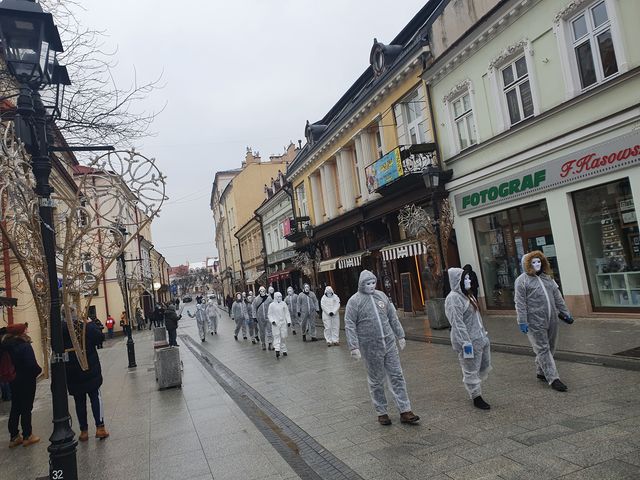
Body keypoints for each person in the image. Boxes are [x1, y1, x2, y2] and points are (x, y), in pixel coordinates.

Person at [345, 270, 419, 426]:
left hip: (389, 343)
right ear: (361, 284)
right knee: (376, 380)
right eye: (367, 283)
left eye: (373, 283)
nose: (371, 286)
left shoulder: (382, 296)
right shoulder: (355, 301)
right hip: (370, 346)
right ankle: (382, 412)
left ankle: (405, 410)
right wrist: (354, 346)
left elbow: (392, 316)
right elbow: (350, 324)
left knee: (397, 375)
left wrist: (400, 335)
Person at [515, 251, 573, 392]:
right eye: (533, 262)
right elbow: (520, 303)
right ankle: (553, 378)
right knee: (543, 348)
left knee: (551, 346)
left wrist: (565, 313)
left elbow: (558, 297)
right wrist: (522, 321)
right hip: (534, 321)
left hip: (552, 318)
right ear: (527, 264)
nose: (537, 265)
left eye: (539, 262)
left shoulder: (548, 278)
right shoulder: (522, 281)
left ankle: (541, 371)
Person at [445, 267, 492, 410]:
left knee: (482, 366)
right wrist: (465, 342)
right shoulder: (453, 298)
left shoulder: (468, 295)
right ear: (456, 281)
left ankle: (476, 389)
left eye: (468, 278)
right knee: (470, 368)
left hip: (480, 338)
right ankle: (476, 396)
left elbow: (476, 318)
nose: (468, 280)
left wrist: (483, 334)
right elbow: (457, 323)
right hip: (468, 341)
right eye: (464, 279)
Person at [63, 308, 109, 441]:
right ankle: (100, 427)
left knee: (79, 401)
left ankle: (83, 431)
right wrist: (90, 324)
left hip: (72, 372)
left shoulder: (60, 330)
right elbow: (100, 338)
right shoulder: (84, 327)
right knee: (95, 397)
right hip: (89, 368)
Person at [2, 323, 42, 447]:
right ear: (21, 332)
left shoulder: (6, 346)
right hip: (26, 380)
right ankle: (27, 435)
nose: (27, 331)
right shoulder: (24, 346)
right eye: (25, 329)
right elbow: (31, 365)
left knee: (16, 407)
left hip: (13, 380)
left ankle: (14, 437)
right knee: (26, 407)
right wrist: (38, 371)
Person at [268, 292, 291, 359]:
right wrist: (272, 321)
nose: (279, 298)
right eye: (278, 297)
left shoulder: (283, 304)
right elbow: (270, 314)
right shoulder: (271, 305)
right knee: (276, 336)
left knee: (283, 337)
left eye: (280, 296)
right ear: (275, 297)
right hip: (276, 323)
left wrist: (288, 321)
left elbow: (287, 313)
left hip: (283, 322)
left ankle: (284, 350)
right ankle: (277, 350)